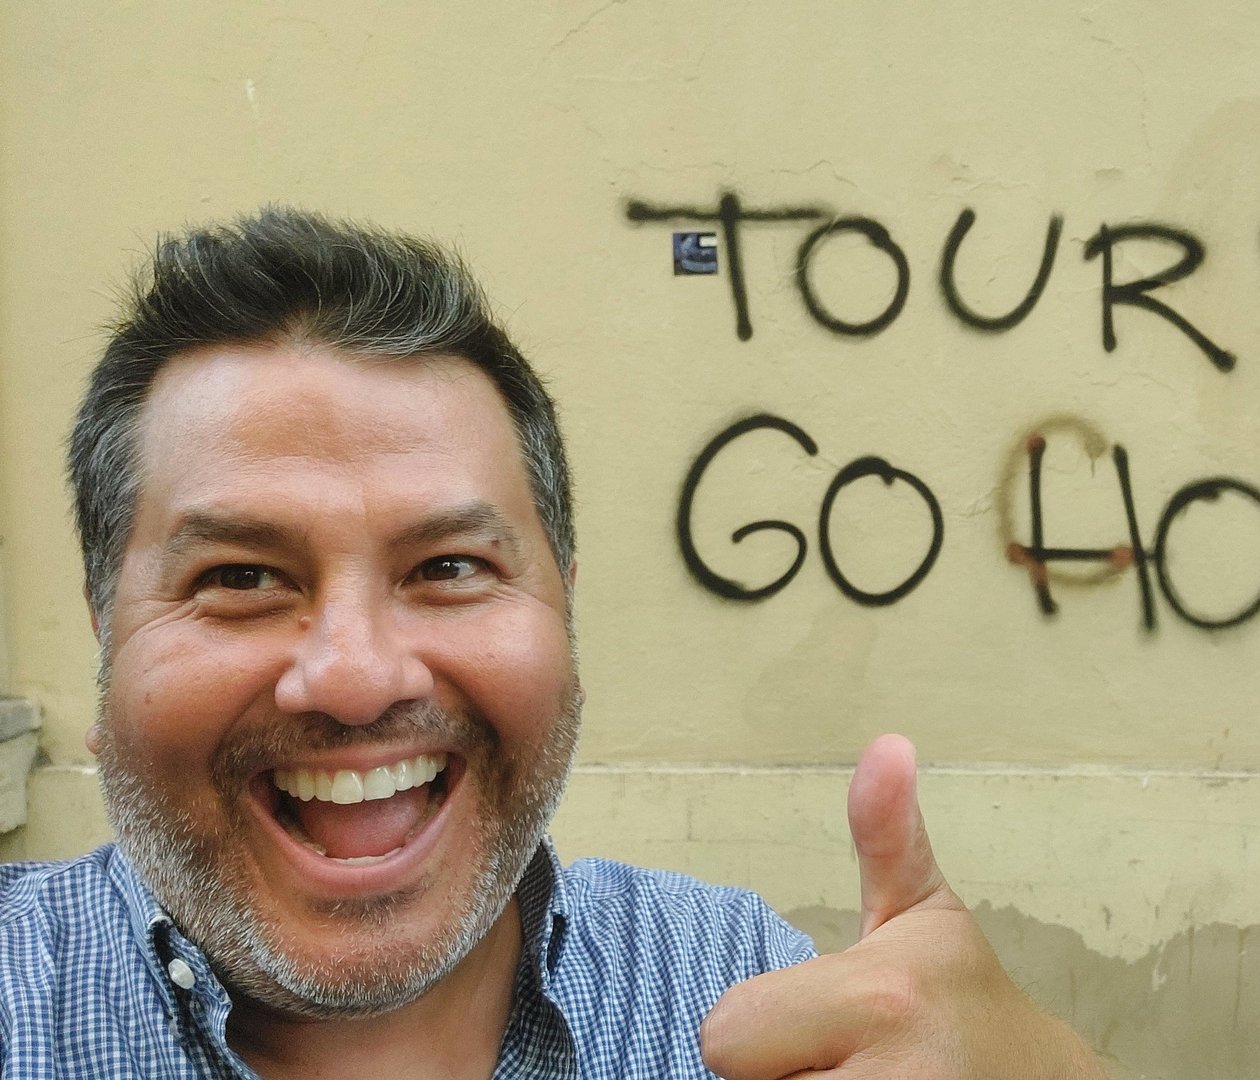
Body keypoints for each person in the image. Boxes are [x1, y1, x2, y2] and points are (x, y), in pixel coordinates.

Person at [0, 208, 1108, 1079]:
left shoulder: (732, 987)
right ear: (109, 642)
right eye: (240, 579)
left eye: (448, 570)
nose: (353, 674)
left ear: (563, 618)